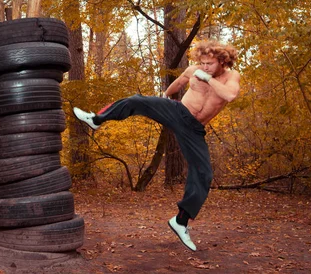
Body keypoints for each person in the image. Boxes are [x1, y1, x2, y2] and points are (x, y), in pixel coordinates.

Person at [73, 40, 240, 252]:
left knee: (204, 174)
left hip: (194, 129)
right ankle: (96, 119)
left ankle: (181, 221)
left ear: (222, 61)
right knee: (137, 101)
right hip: (179, 111)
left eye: (210, 64)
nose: (205, 67)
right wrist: (165, 97)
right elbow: (179, 83)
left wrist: (207, 78)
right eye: (203, 63)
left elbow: (230, 95)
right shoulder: (193, 70)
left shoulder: (230, 77)